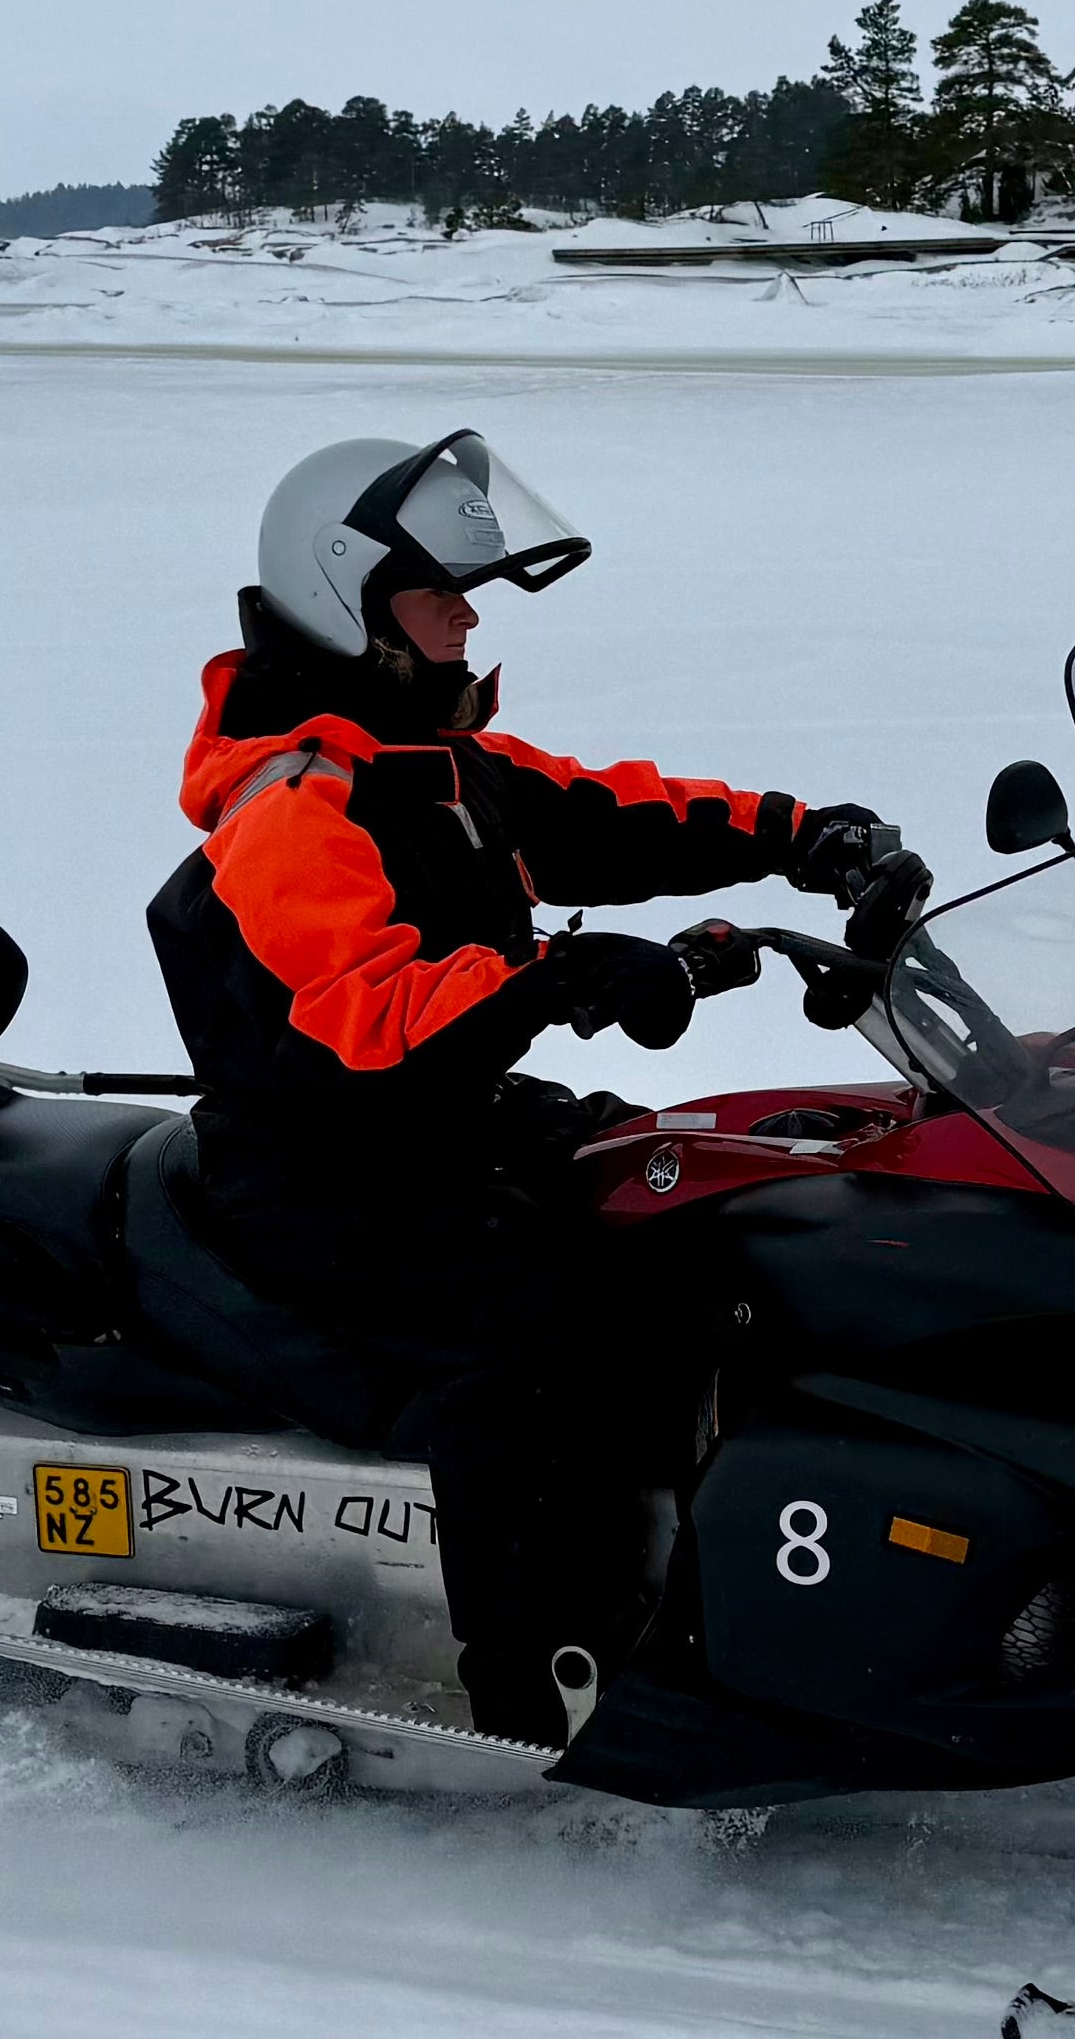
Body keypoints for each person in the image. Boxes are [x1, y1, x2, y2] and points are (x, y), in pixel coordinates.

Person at [149, 431, 895, 1740]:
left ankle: (740, 1584)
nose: (469, 609)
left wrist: (798, 838)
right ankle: (539, 1682)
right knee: (540, 1333)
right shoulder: (297, 802)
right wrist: (554, 980)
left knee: (698, 1206)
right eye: (439, 587)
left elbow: (608, 816)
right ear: (349, 595)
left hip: (437, 1127)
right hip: (319, 1171)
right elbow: (361, 1019)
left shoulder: (423, 759)